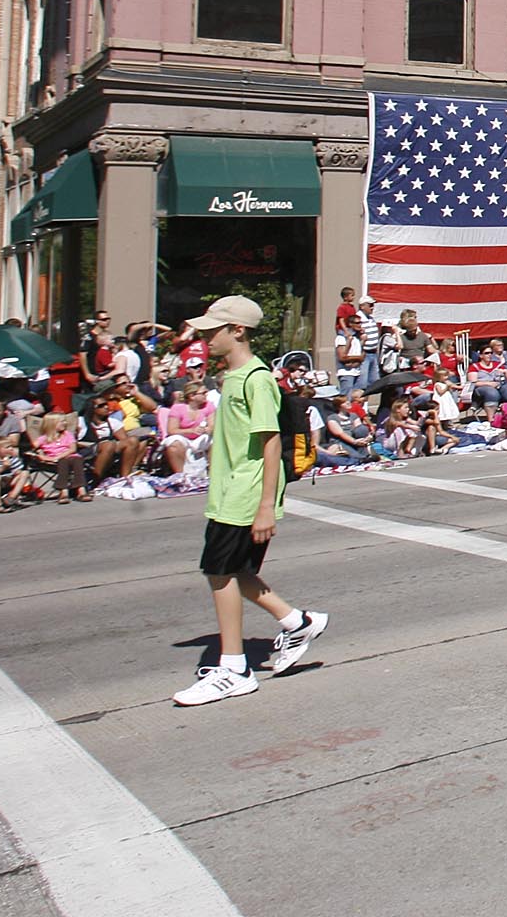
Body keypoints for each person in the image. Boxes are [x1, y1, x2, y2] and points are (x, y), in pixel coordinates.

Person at [171, 296, 327, 707]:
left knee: (219, 573)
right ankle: (298, 622)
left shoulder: (256, 379)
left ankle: (234, 667)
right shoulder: (233, 377)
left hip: (243, 493)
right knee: (233, 571)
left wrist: (263, 507)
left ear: (237, 331)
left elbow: (270, 444)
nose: (204, 337)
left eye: (211, 330)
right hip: (229, 490)